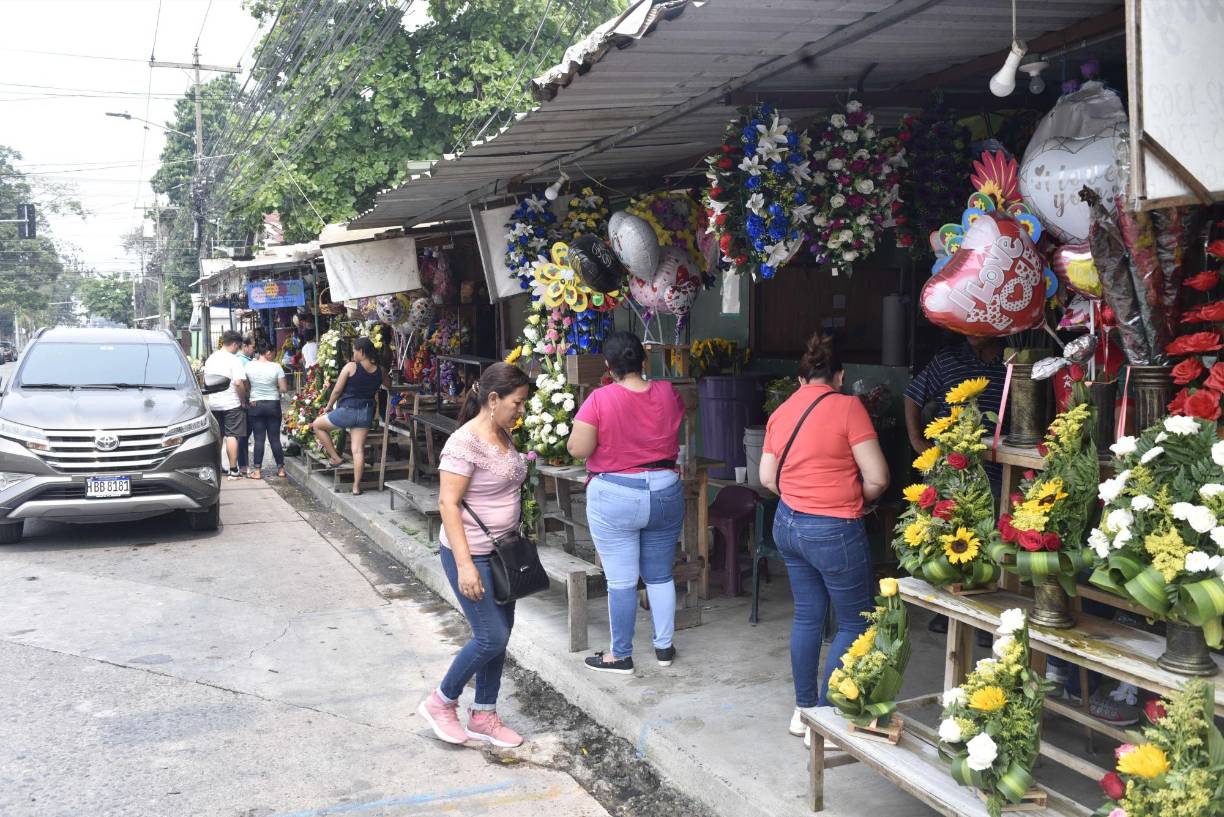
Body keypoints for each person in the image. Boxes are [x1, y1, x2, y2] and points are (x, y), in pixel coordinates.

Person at [757, 332, 889, 747]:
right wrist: (849, 496)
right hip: (834, 529)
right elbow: (878, 478)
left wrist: (802, 496)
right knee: (855, 621)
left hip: (787, 524)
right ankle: (828, 715)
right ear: (841, 376)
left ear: (800, 380)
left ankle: (804, 711)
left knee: (807, 616)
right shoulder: (849, 407)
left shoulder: (782, 411)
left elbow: (766, 477)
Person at [417, 363, 531, 749]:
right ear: (494, 399)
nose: (521, 411)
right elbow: (448, 504)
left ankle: (483, 714)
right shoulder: (463, 444)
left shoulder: (502, 434)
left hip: (504, 555)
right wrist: (466, 566)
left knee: (501, 636)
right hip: (472, 555)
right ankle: (441, 702)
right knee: (490, 637)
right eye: (517, 403)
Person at [567, 331, 687, 675]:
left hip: (615, 495)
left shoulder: (599, 399)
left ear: (608, 366)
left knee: (621, 580)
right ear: (644, 359)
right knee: (660, 575)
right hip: (665, 490)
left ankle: (620, 655)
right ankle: (664, 648)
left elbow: (578, 449)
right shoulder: (667, 392)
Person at [904, 335, 1006, 639]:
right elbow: (912, 396)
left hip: (996, 468)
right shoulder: (947, 360)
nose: (969, 330)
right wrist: (917, 441)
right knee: (946, 533)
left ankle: (986, 618)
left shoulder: (1011, 362)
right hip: (949, 468)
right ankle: (945, 611)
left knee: (989, 539)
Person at [310, 337, 389, 495]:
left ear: (361, 352)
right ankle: (356, 487)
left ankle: (335, 458)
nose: (353, 353)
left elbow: (337, 390)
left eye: (354, 350)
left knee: (317, 425)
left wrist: (328, 406)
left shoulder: (351, 367)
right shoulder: (380, 370)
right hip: (366, 413)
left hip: (347, 411)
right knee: (358, 450)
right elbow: (389, 385)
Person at [203, 330, 249, 480]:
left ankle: (217, 468)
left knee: (218, 436)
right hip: (231, 404)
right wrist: (242, 400)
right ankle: (233, 470)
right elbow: (238, 383)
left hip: (214, 404)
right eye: (238, 346)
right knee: (231, 435)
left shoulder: (211, 359)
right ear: (234, 344)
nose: (238, 349)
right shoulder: (233, 360)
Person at [245, 341, 288, 479]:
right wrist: (274, 390)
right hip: (273, 405)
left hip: (255, 404)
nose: (274, 355)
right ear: (268, 352)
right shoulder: (276, 367)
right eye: (273, 353)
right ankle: (281, 469)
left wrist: (252, 395)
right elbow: (284, 389)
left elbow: (246, 385)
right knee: (275, 439)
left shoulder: (249, 365)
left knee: (259, 439)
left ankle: (257, 471)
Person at [233, 335, 256, 475]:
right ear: (245, 346)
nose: (254, 349)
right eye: (252, 346)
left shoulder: (238, 359)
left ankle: (241, 464)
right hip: (245, 399)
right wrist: (244, 399)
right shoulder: (243, 361)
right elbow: (242, 382)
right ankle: (242, 465)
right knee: (244, 434)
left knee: (242, 434)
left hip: (240, 399)